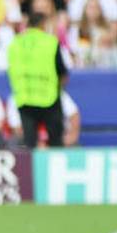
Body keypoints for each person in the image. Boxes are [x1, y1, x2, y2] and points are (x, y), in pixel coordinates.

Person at [8, 11, 70, 148]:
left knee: (30, 143)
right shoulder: (50, 42)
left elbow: (11, 70)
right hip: (49, 97)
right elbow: (62, 72)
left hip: (24, 97)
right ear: (43, 24)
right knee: (55, 142)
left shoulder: (15, 43)